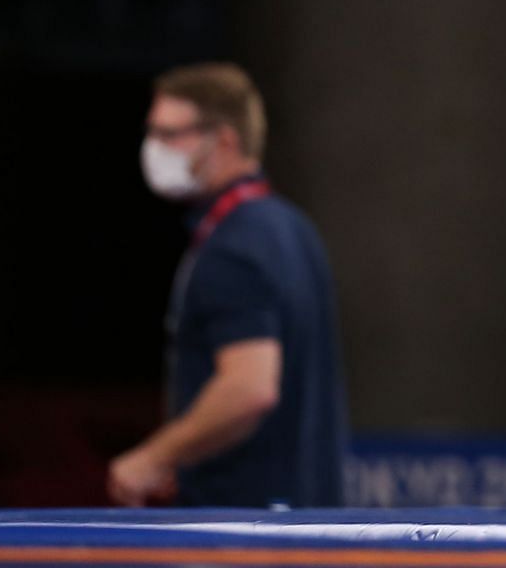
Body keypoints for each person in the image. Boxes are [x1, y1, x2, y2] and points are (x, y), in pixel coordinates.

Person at [108, 61, 350, 509]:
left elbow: (250, 388)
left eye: (170, 135)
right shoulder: (293, 228)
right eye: (152, 133)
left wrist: (153, 458)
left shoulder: (233, 247)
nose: (154, 148)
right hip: (308, 515)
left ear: (224, 140)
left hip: (243, 528)